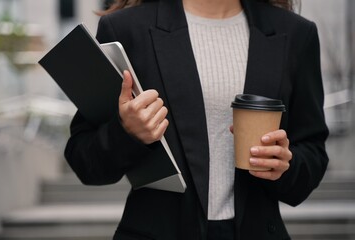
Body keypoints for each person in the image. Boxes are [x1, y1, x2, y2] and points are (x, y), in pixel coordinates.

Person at [64, 0, 329, 239]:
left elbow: (312, 153)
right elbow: (85, 161)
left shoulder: (296, 33)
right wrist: (127, 133)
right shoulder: (126, 29)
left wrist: (285, 164)